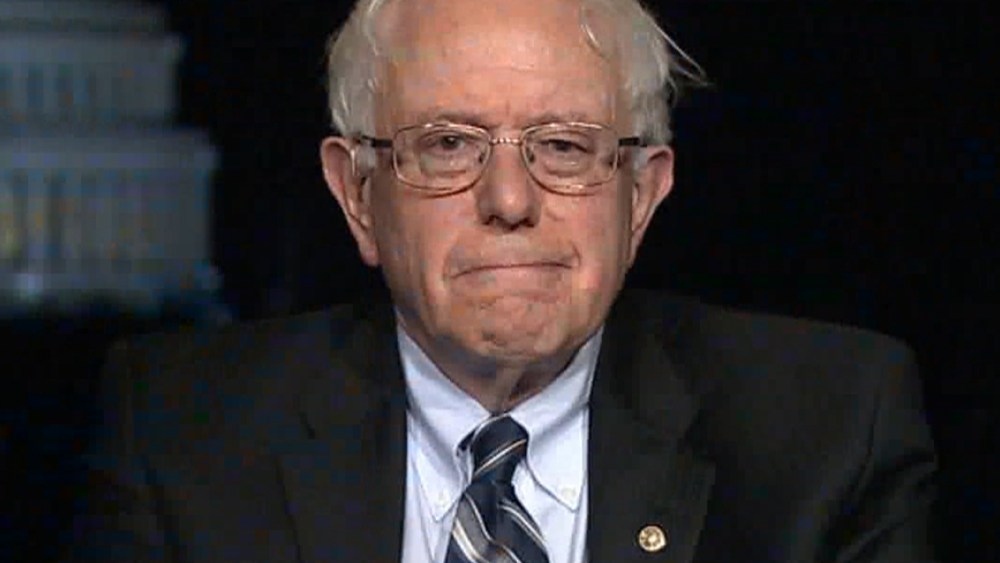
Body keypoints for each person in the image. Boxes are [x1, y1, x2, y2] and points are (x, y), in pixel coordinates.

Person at [69, 0, 938, 561]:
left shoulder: (831, 433)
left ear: (641, 197)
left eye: (564, 146)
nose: (510, 200)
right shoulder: (179, 435)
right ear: (357, 194)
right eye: (448, 145)